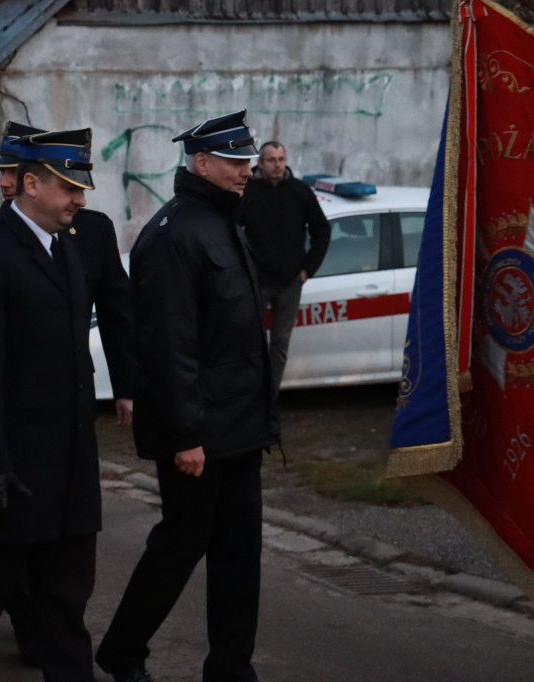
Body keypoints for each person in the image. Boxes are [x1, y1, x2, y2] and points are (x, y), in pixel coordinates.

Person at [95, 111, 280, 682]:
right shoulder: (174, 234)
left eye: (248, 161)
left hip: (241, 423)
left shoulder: (224, 221)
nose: (246, 171)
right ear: (201, 163)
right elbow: (168, 347)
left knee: (238, 553)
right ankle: (123, 651)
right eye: (234, 162)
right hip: (199, 431)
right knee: (179, 546)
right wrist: (186, 436)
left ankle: (230, 667)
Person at [0, 121, 136, 671]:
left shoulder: (68, 245)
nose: (79, 199)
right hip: (17, 465)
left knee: (66, 599)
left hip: (71, 461)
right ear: (30, 184)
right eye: (68, 187)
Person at [239, 141, 330, 398]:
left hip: (290, 282)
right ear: (261, 163)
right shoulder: (248, 192)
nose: (278, 165)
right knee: (250, 342)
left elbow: (321, 230)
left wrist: (307, 270)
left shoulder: (299, 191)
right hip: (257, 282)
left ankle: (269, 400)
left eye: (281, 159)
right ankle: (249, 398)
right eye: (271, 160)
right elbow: (231, 229)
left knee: (279, 344)